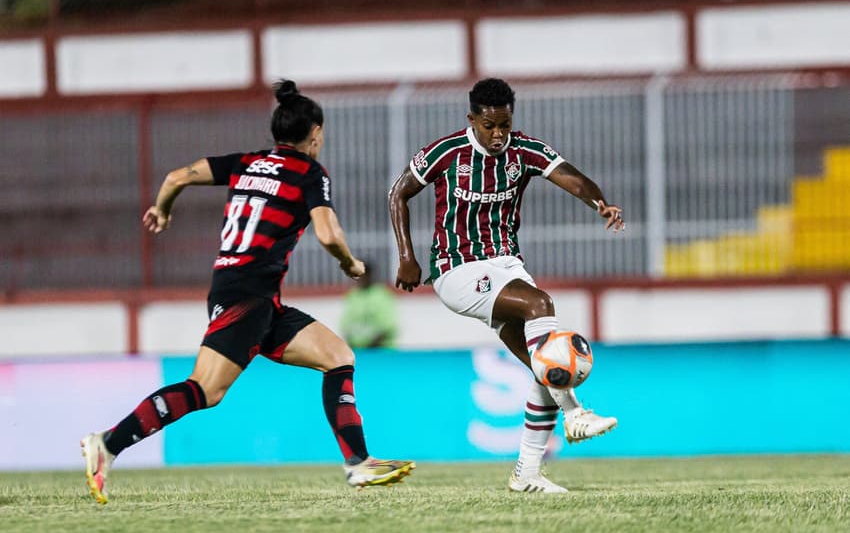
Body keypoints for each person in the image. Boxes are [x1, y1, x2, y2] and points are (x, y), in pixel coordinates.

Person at [80, 79, 414, 504]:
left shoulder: (246, 162)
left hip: (255, 297)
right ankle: (107, 444)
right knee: (204, 390)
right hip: (246, 297)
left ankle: (358, 463)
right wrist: (350, 264)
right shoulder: (309, 172)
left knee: (338, 357)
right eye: (321, 136)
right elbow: (328, 233)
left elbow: (177, 176)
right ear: (314, 135)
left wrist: (161, 208)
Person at [388, 78, 624, 494]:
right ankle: (575, 415)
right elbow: (398, 194)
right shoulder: (446, 153)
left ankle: (527, 473)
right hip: (456, 267)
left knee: (543, 364)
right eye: (489, 126)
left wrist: (599, 202)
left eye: (505, 126)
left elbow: (571, 177)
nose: (498, 135)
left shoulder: (524, 151)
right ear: (472, 119)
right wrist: (406, 255)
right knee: (540, 305)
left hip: (507, 266)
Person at [340, 261, 399, 349]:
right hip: (358, 352)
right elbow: (346, 325)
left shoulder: (382, 295)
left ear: (370, 275)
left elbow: (388, 328)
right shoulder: (352, 296)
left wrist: (369, 348)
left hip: (380, 352)